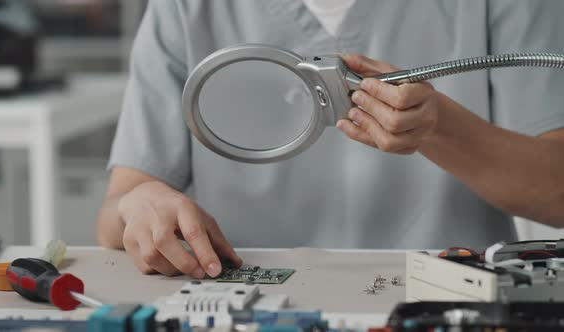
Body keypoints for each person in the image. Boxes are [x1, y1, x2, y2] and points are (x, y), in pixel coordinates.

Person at [96, 0, 564, 279]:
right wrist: (140, 204)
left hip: (452, 302)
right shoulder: (185, 8)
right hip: (246, 301)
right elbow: (118, 213)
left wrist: (439, 126)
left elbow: (557, 195)